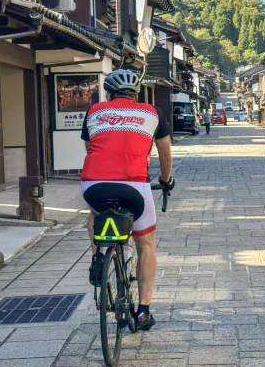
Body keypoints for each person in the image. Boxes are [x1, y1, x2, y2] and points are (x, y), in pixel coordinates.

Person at [80, 68, 175, 331]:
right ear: (136, 94)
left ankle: (98, 256)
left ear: (108, 94)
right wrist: (166, 181)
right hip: (134, 184)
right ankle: (143, 310)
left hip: (94, 183)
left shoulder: (95, 111)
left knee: (95, 213)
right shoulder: (151, 113)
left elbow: (91, 149)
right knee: (145, 244)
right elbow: (165, 156)